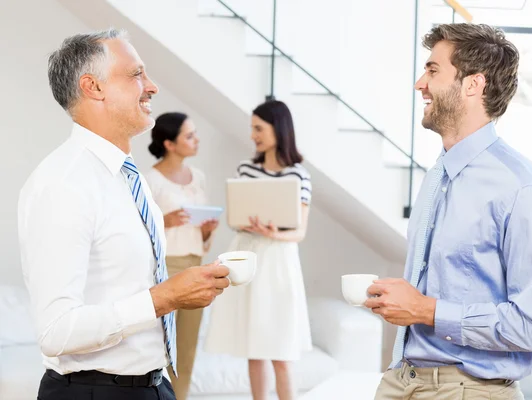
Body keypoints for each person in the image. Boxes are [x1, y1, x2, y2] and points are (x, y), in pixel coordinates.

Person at [18, 29, 230, 400]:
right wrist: (164, 298)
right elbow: (56, 332)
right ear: (93, 87)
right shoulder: (63, 184)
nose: (152, 87)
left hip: (154, 385)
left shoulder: (129, 178)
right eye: (136, 74)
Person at [365, 23, 532, 399]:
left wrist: (426, 310)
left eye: (433, 70)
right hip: (402, 381)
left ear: (473, 85)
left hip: (469, 390)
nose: (419, 83)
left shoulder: (523, 189)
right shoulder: (437, 176)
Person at [204, 100, 312, 400]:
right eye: (252, 128)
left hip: (278, 262)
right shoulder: (247, 169)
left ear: (279, 129)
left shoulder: (298, 175)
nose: (253, 135)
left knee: (281, 350)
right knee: (255, 349)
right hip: (248, 255)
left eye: (258, 128)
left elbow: (299, 232)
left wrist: (275, 232)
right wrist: (249, 224)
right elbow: (235, 218)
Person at [145, 111, 219, 399]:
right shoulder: (150, 179)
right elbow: (138, 230)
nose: (196, 139)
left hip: (196, 265)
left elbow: (202, 240)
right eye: (189, 135)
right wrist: (166, 220)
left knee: (186, 348)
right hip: (164, 268)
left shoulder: (198, 177)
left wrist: (206, 230)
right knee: (157, 346)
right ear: (169, 144)